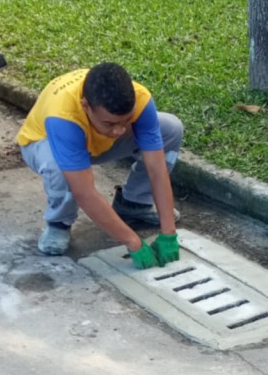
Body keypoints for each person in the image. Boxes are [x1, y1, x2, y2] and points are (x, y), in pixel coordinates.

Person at [16, 62, 181, 267]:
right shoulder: (63, 117)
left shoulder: (140, 98)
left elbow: (157, 169)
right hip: (44, 145)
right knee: (59, 168)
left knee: (170, 128)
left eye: (125, 121)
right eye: (110, 123)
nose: (119, 130)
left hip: (95, 144)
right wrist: (133, 242)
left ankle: (134, 204)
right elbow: (84, 192)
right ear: (86, 106)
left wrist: (169, 233)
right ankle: (59, 222)